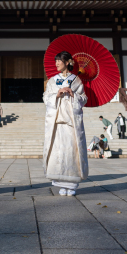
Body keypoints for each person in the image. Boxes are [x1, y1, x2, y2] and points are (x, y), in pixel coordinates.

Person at [43, 51, 89, 197]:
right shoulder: (52, 80)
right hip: (56, 122)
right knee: (58, 151)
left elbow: (83, 99)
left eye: (59, 61)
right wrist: (57, 94)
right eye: (55, 61)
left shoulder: (76, 80)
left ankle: (72, 185)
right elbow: (46, 97)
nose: (56, 63)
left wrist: (73, 94)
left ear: (68, 62)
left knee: (71, 151)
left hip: (70, 122)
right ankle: (61, 184)